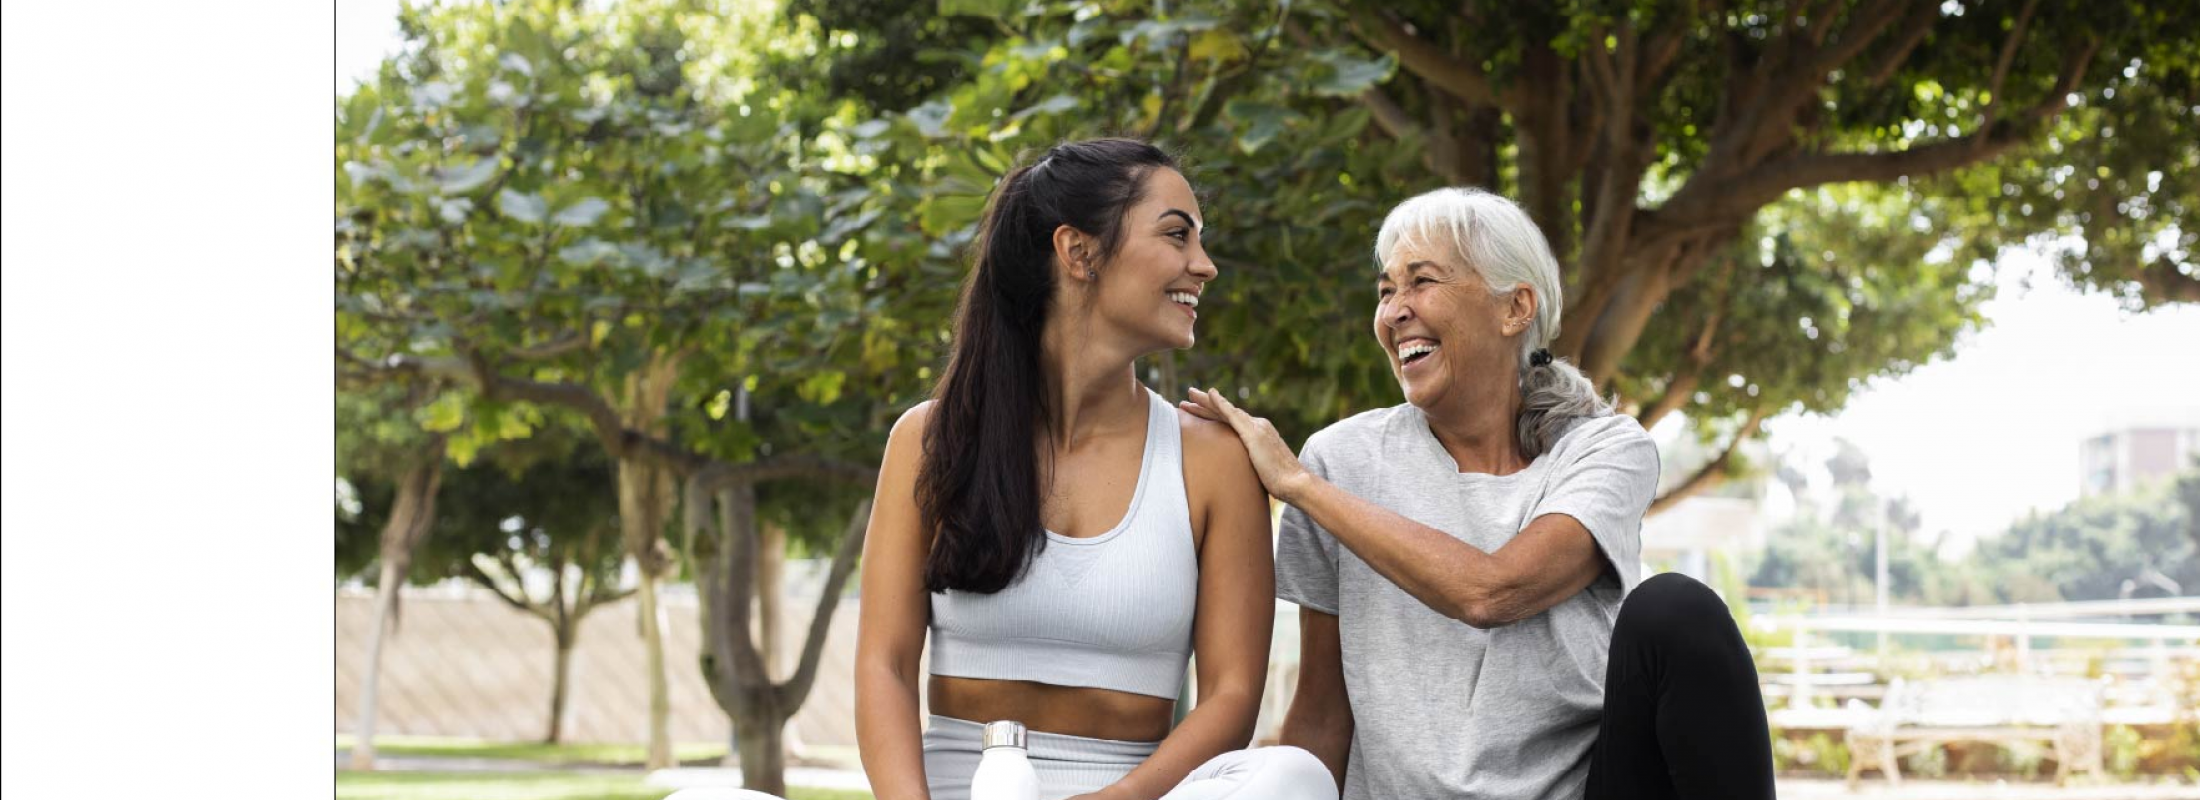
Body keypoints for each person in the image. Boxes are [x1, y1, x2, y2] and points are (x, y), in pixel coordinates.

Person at [1183, 187, 1776, 800]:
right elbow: (1321, 710)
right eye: (1385, 291)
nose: (1395, 311)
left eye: (1422, 282)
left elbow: (1493, 592)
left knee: (1676, 609)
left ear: (1515, 308)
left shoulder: (1602, 449)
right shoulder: (1340, 460)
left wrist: (1299, 487)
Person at [853, 138, 1336, 800]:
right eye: (1177, 235)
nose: (1205, 266)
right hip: (957, 788)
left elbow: (1232, 695)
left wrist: (1121, 798)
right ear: (1078, 253)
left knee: (1294, 776)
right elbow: (884, 664)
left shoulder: (1215, 458)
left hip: (1136, 796)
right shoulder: (928, 438)